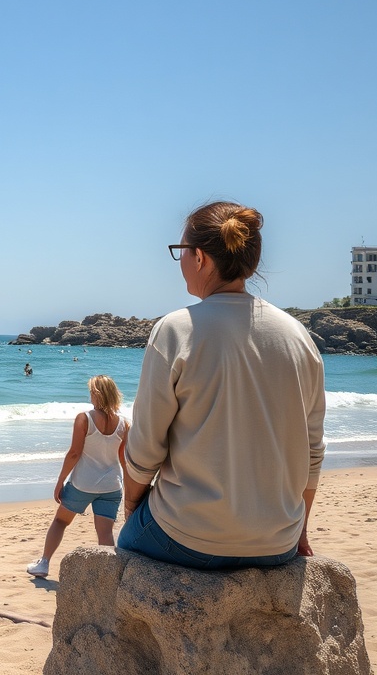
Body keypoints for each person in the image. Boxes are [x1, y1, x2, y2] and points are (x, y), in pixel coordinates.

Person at [118, 201, 326, 569]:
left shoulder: (176, 329)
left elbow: (147, 446)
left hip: (188, 536)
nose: (180, 262)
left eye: (180, 252)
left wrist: (133, 504)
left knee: (126, 547)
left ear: (199, 258)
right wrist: (300, 530)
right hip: (278, 542)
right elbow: (312, 452)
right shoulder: (297, 335)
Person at [26, 375, 130, 578]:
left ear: (97, 394)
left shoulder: (85, 418)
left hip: (83, 484)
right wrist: (127, 488)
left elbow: (74, 453)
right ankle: (109, 576)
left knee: (60, 522)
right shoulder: (124, 424)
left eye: (91, 391)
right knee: (105, 534)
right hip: (111, 486)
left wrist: (59, 481)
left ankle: (44, 563)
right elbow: (123, 459)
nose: (90, 395)